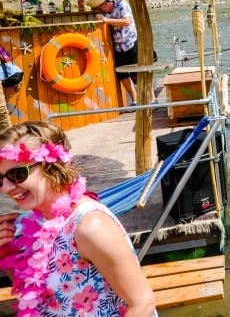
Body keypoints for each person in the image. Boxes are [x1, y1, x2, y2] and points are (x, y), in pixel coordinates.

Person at [0, 121, 157, 316]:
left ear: (51, 166)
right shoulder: (36, 223)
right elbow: (37, 297)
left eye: (17, 174)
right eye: (0, 179)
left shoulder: (90, 226)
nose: (6, 188)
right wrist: (5, 253)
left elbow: (143, 304)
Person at [90, 0, 156, 105]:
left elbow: (127, 21)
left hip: (131, 42)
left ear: (105, 4)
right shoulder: (105, 13)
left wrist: (106, 19)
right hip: (118, 47)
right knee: (122, 75)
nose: (99, 11)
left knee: (141, 71)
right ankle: (135, 100)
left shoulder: (122, 5)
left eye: (100, 8)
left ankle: (152, 99)